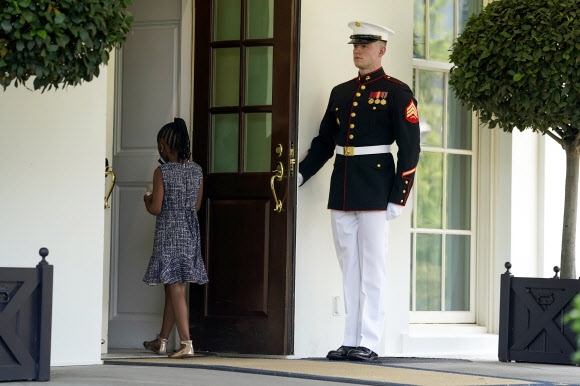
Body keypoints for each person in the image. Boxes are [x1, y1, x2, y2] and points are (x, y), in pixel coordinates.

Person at [298, 21, 421, 361]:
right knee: (349, 268)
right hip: (344, 187)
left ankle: (369, 341)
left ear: (382, 50)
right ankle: (351, 339)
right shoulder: (340, 92)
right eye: (355, 44)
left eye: (366, 44)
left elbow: (410, 149)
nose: (358, 49)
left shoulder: (397, 92)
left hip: (376, 188)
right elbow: (325, 142)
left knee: (373, 268)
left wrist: (399, 195)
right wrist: (300, 175)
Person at [142, 117, 208, 359]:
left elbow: (156, 208)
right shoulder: (196, 170)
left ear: (163, 146)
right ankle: (161, 340)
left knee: (175, 287)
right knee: (172, 287)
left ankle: (186, 343)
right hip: (189, 233)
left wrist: (147, 200)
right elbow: (197, 205)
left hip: (169, 233)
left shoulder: (162, 172)